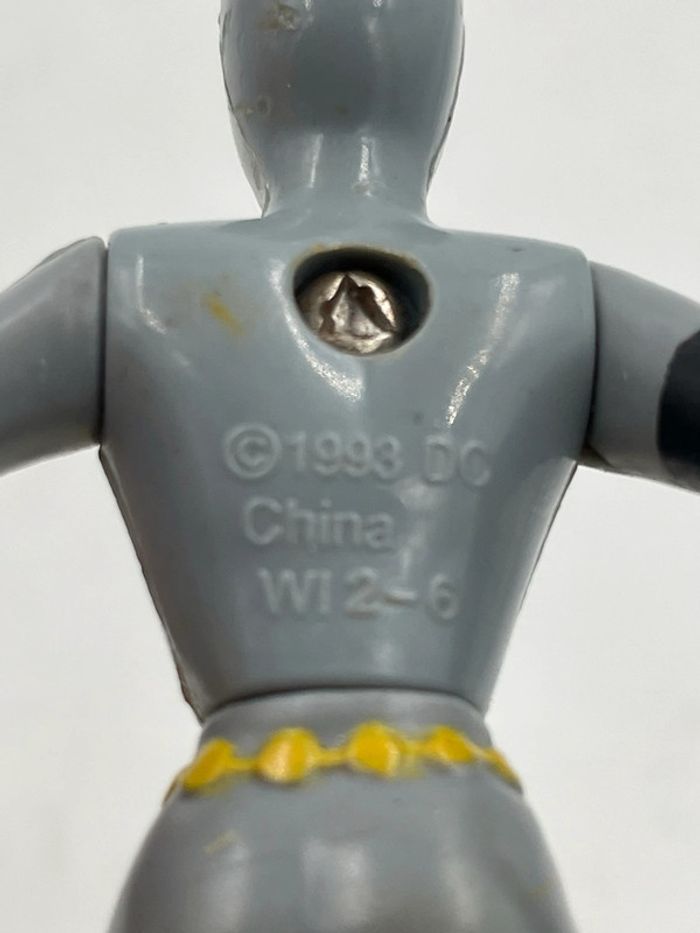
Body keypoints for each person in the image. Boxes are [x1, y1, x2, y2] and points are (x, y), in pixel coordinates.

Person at [1, 1, 698, 929]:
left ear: (241, 67)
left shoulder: (125, 289)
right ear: (445, 69)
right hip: (460, 831)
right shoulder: (551, 300)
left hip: (232, 834)